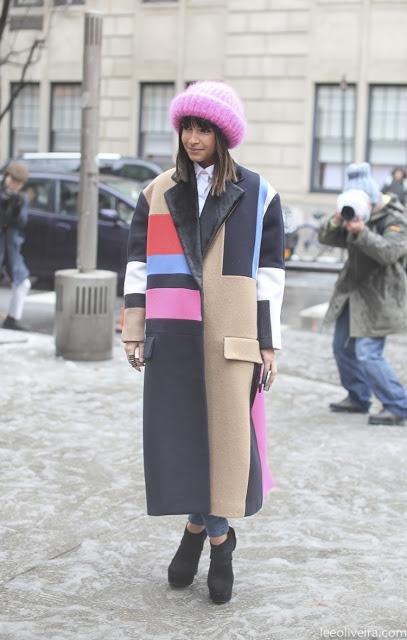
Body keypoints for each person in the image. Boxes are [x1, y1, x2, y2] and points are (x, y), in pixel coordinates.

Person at [121, 81, 285, 604]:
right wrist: (133, 328)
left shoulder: (260, 194)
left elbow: (271, 274)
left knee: (224, 446)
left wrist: (268, 343)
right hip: (174, 331)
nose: (193, 137)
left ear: (223, 134)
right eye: (187, 127)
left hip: (230, 337)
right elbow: (138, 265)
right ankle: (213, 536)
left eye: (204, 128)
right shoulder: (157, 191)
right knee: (184, 442)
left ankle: (209, 537)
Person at [319, 162, 407, 426]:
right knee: (342, 348)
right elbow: (326, 238)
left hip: (380, 297)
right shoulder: (351, 215)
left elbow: (389, 253)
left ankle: (397, 405)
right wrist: (335, 221)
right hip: (351, 293)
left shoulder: (394, 219)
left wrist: (363, 233)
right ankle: (358, 397)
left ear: (371, 201)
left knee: (368, 353)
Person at [0, 162, 31, 331]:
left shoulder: (21, 198)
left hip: (12, 248)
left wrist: (16, 207)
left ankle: (12, 319)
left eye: (19, 183)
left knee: (23, 283)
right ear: (6, 176)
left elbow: (22, 222)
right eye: (13, 180)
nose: (15, 185)